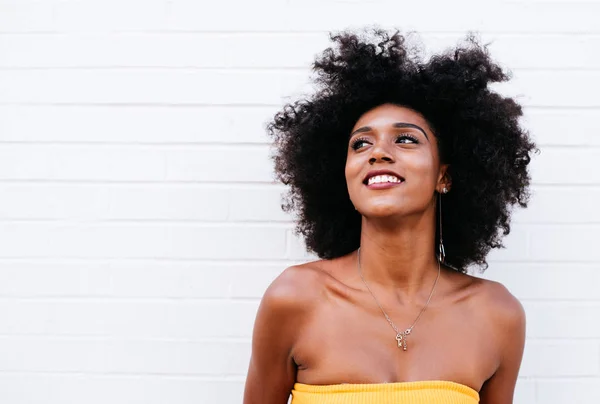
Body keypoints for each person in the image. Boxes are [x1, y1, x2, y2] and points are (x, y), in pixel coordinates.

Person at [243, 28, 536, 404]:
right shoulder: (295, 299)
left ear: (443, 176)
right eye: (360, 143)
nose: (377, 152)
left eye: (406, 139)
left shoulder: (497, 315)